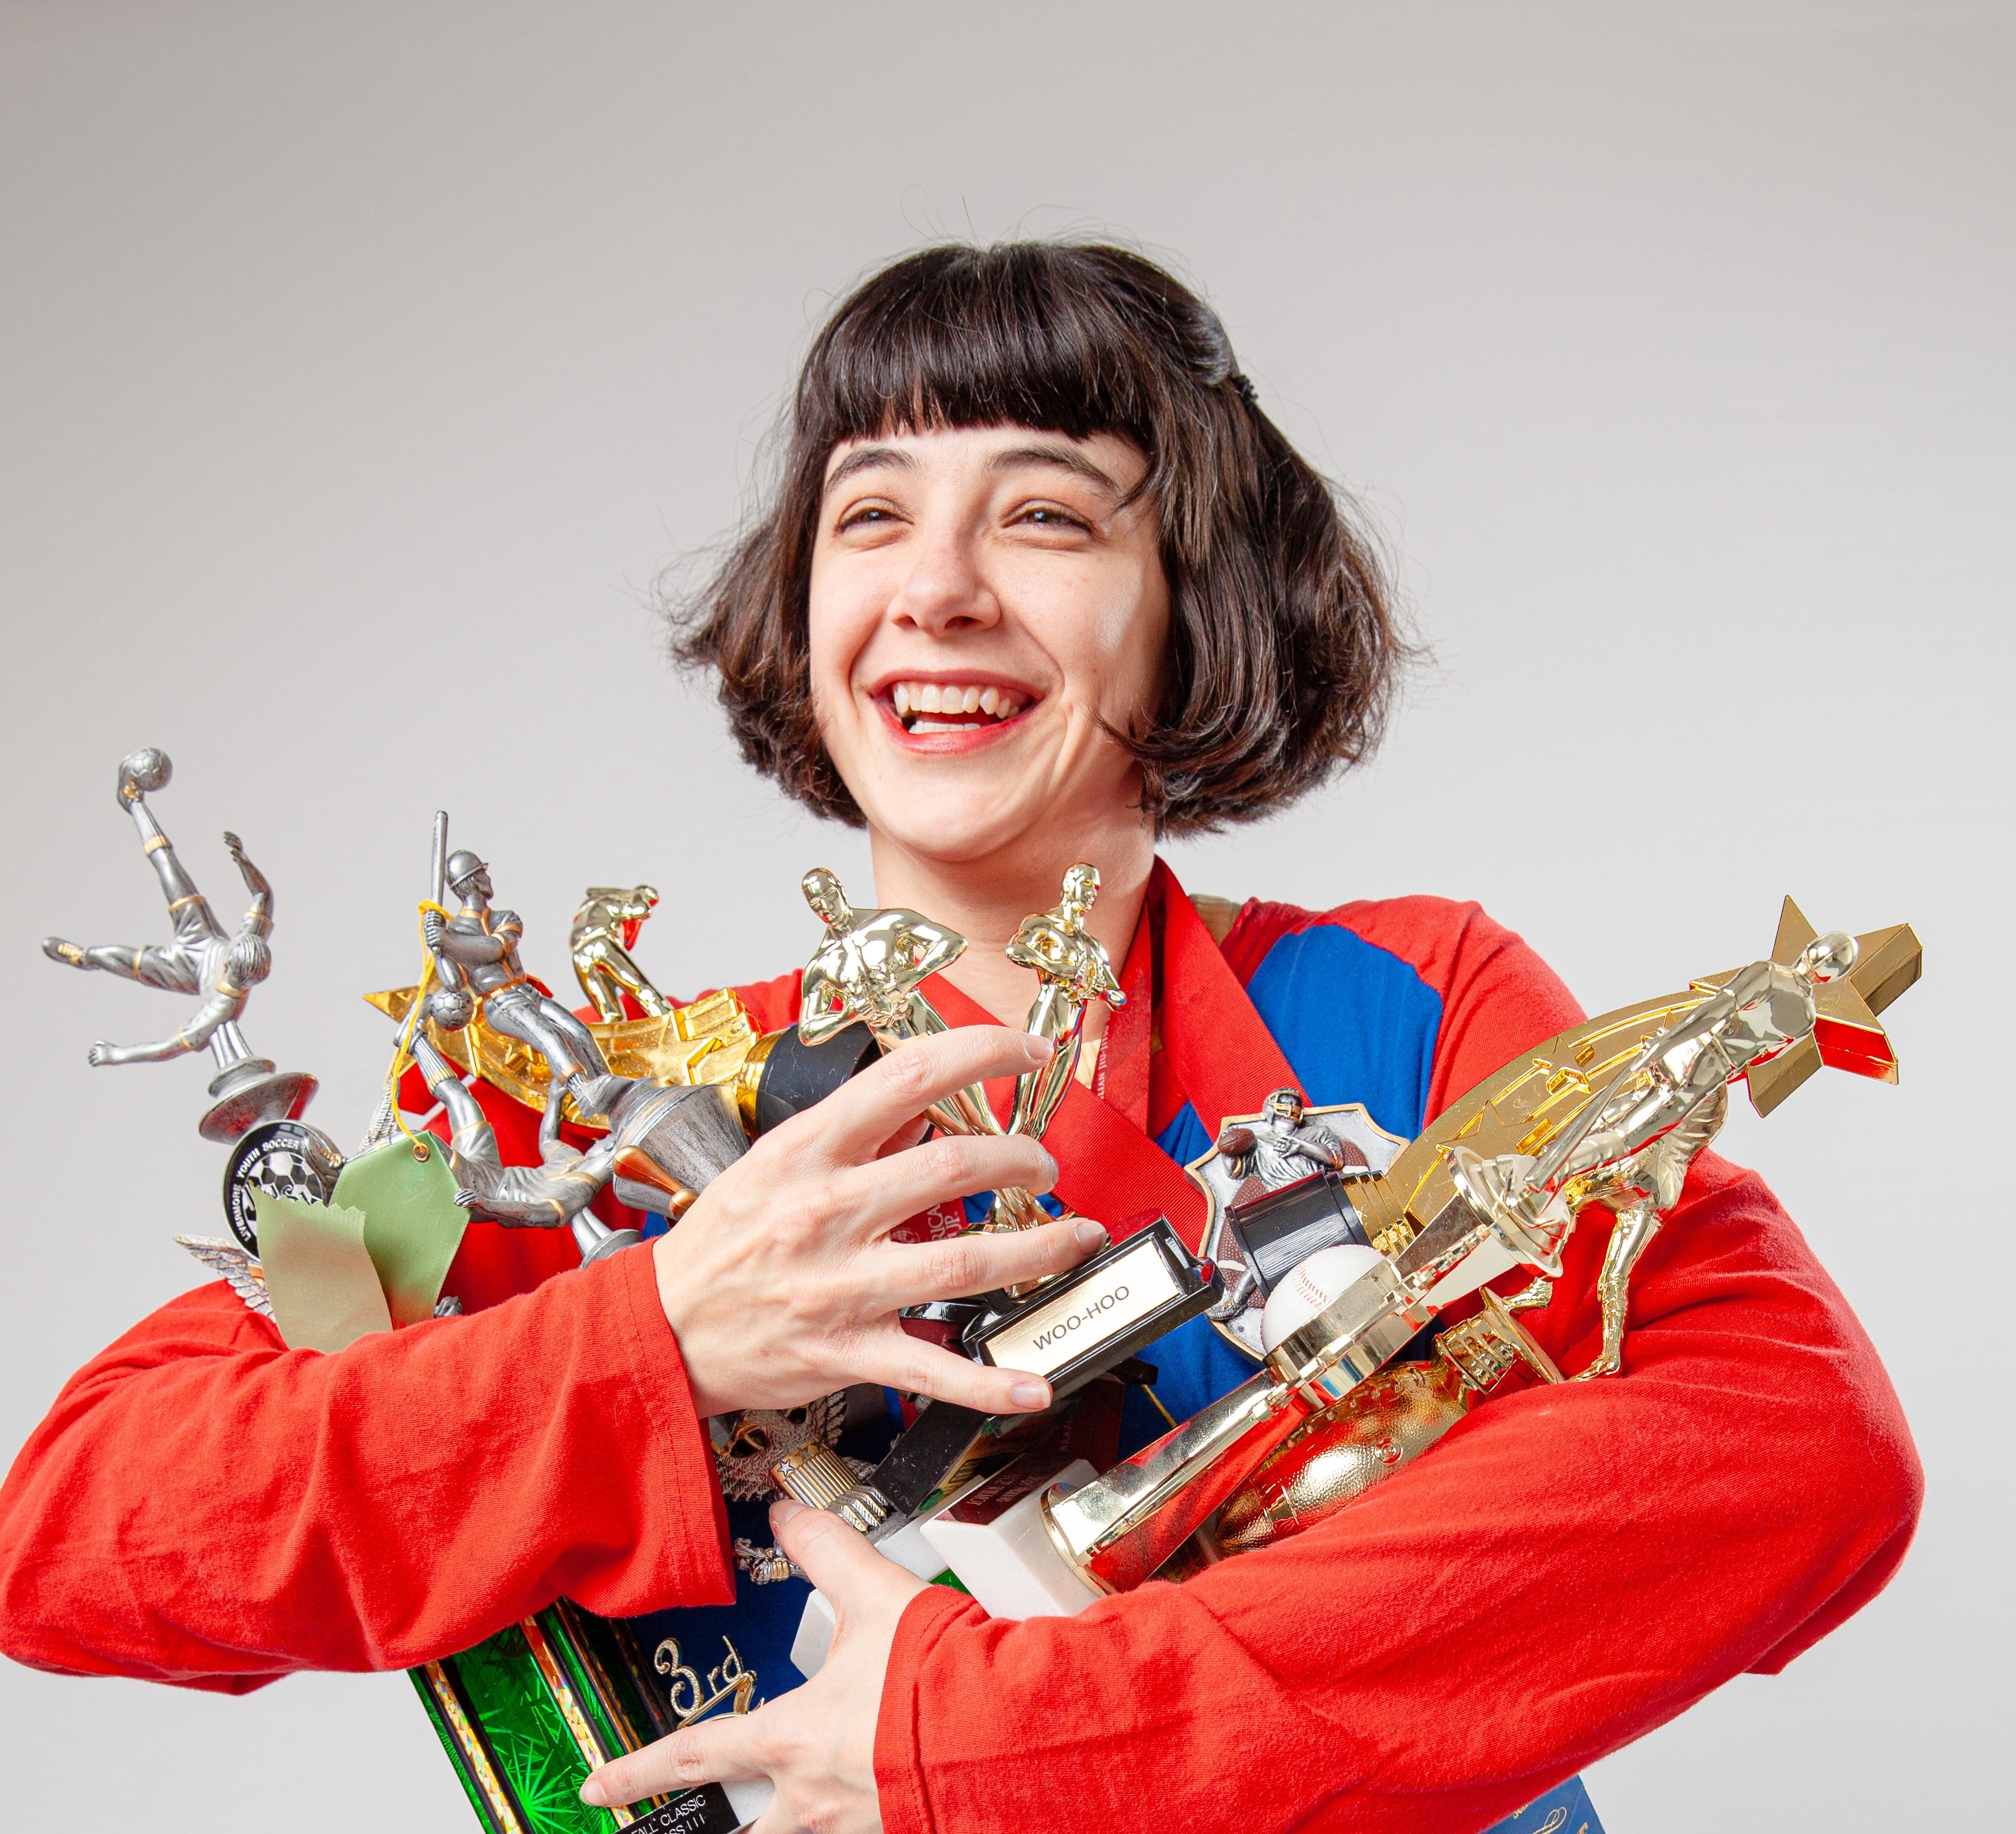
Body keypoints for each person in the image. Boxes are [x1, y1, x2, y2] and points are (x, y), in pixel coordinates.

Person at [0, 243, 1919, 1834]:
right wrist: (659, 1335)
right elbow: (81, 1533)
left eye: (1046, 514)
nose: (936, 589)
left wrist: (989, 1736)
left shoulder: (1400, 1006)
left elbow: (1793, 1448)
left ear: (1195, 600)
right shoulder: (609, 1108)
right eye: (871, 516)